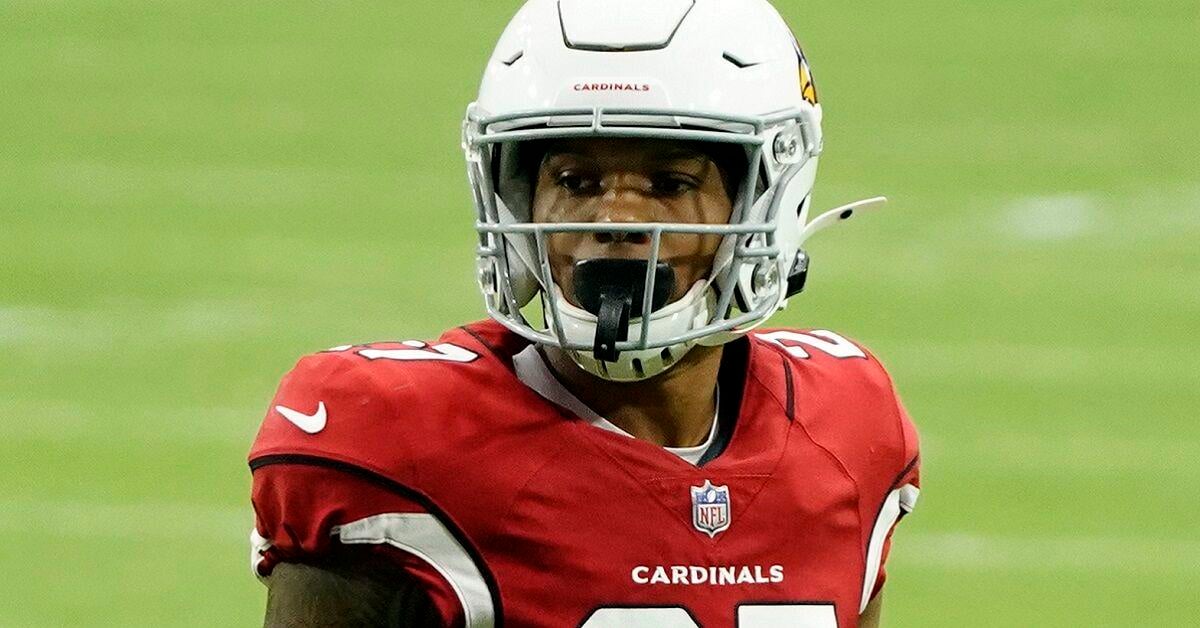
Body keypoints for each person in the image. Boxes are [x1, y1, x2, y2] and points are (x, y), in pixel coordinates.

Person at [248, 0, 920, 626]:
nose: (616, 217)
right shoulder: (395, 436)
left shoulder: (847, 423)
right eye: (576, 181)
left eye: (669, 184)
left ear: (763, 203)